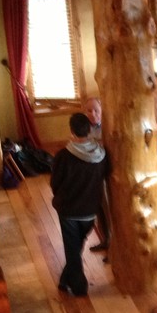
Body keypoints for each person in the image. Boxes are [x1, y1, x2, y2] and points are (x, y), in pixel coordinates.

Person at [51, 112, 110, 297]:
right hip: (90, 211)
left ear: (71, 131)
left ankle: (79, 289)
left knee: (72, 250)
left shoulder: (63, 156)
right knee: (75, 247)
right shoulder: (101, 155)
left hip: (68, 211)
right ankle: (64, 281)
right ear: (90, 130)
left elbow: (55, 183)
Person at [83, 96, 110, 254]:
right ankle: (105, 240)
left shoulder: (107, 127)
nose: (92, 114)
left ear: (102, 112)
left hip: (105, 172)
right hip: (91, 173)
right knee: (98, 208)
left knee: (107, 208)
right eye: (89, 110)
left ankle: (113, 243)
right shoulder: (83, 127)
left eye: (96, 110)